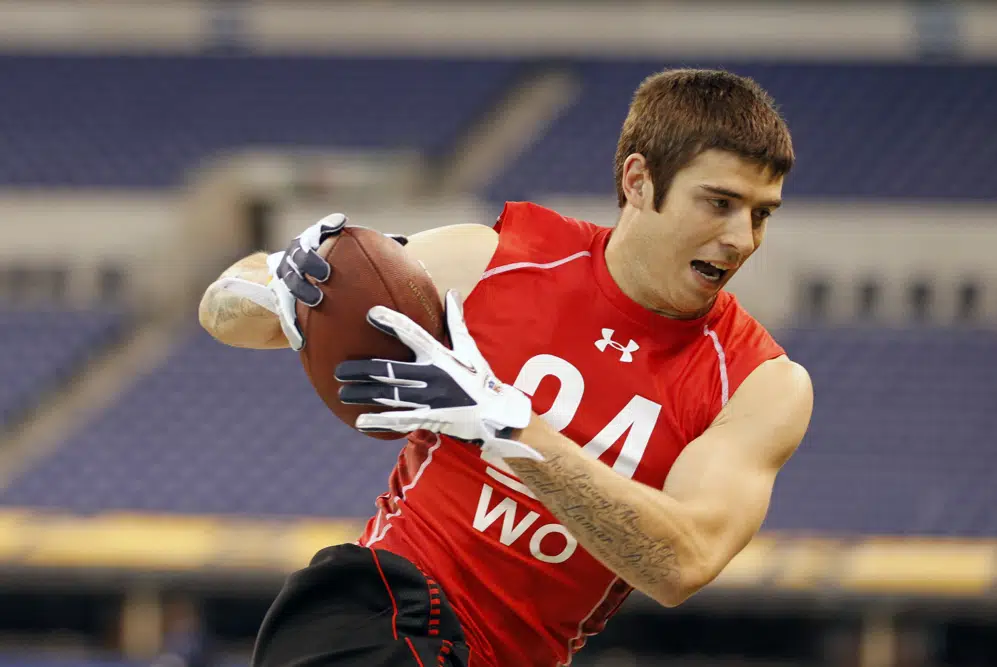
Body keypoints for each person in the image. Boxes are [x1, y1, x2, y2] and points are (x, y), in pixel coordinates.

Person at [199, 68, 814, 667]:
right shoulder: (496, 259)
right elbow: (224, 311)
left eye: (761, 213)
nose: (742, 238)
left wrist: (515, 430)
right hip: (392, 609)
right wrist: (282, 283)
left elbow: (682, 564)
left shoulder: (760, 384)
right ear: (638, 180)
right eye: (720, 203)